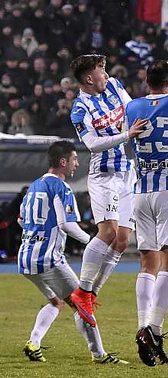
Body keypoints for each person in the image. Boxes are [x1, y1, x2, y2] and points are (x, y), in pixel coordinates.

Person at [19, 141, 127, 365]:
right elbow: (66, 224)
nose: (76, 164)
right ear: (63, 162)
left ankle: (33, 343)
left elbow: (21, 220)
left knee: (56, 302)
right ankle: (99, 355)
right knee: (81, 303)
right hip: (48, 259)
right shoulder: (60, 187)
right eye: (74, 159)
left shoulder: (34, 186)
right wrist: (92, 241)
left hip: (25, 258)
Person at [68, 54, 148, 326]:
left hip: (127, 172)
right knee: (109, 231)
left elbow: (131, 109)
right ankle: (82, 290)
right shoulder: (80, 109)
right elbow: (91, 143)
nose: (106, 74)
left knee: (123, 240)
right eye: (101, 70)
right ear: (89, 78)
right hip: (104, 176)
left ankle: (91, 295)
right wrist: (126, 135)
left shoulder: (113, 85)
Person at [126, 60, 168, 366]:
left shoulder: (133, 108)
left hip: (141, 192)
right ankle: (152, 328)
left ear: (146, 81)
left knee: (147, 262)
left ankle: (143, 326)